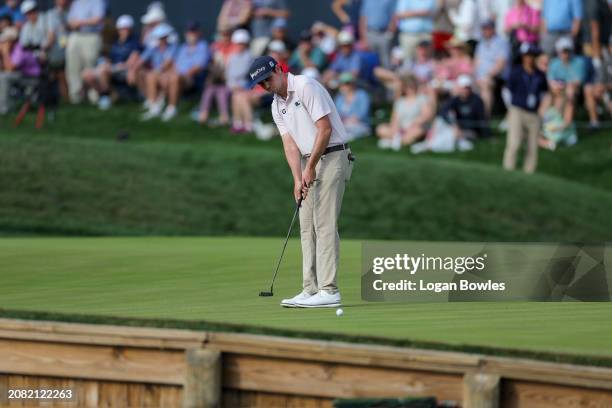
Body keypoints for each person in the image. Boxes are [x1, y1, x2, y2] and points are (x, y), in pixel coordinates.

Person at [248, 55, 353, 308]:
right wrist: (298, 178)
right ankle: (310, 288)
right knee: (306, 226)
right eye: (260, 84)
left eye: (267, 79)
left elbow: (324, 129)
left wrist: (312, 166)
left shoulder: (306, 85)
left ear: (278, 70)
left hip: (333, 155)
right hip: (309, 161)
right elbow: (289, 145)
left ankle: (329, 290)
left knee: (324, 223)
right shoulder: (276, 105)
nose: (266, 86)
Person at [503, 43, 548, 173]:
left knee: (532, 147)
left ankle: (529, 173)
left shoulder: (539, 74)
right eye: (527, 55)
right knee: (514, 143)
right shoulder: (516, 72)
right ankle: (508, 171)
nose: (530, 58)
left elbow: (544, 93)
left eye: (532, 55)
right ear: (522, 57)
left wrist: (542, 110)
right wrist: (510, 107)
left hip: (534, 113)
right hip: (517, 109)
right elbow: (506, 90)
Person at [81, 14, 141, 110]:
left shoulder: (134, 42)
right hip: (113, 67)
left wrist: (117, 66)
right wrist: (106, 62)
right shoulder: (116, 43)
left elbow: (132, 60)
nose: (123, 31)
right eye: (121, 29)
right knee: (86, 74)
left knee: (104, 71)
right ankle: (107, 94)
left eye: (126, 28)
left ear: (130, 29)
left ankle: (105, 98)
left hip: (124, 69)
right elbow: (109, 58)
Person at [377, 74, 433, 150]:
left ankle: (393, 141)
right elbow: (394, 119)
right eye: (408, 86)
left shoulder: (421, 98)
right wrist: (395, 129)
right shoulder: (400, 102)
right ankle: (398, 139)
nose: (410, 89)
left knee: (417, 132)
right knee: (380, 129)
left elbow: (426, 115)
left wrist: (414, 124)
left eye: (412, 86)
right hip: (400, 129)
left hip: (414, 127)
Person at [65, 0, 105, 103]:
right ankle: (76, 96)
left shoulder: (97, 2)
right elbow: (70, 20)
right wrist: (73, 23)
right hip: (76, 35)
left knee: (90, 64)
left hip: (91, 35)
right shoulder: (76, 3)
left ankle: (94, 96)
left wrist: (81, 22)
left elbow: (98, 19)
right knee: (73, 66)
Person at [138, 23, 179, 120]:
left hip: (169, 74)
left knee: (153, 76)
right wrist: (131, 68)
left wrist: (158, 71)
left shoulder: (173, 47)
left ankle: (170, 108)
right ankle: (154, 107)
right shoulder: (153, 48)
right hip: (159, 74)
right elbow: (141, 60)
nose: (161, 40)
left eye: (162, 37)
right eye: (159, 38)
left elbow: (169, 63)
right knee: (149, 76)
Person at [474, 19, 509, 115]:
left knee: (485, 85)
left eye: (488, 28)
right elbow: (476, 62)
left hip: (496, 77)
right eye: (484, 28)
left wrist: (488, 75)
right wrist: (475, 76)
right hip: (480, 76)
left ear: (493, 29)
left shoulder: (501, 42)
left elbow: (501, 63)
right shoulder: (481, 43)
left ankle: (484, 118)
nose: (485, 31)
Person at [439, 74, 488, 141]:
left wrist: (488, 135)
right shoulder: (455, 100)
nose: (465, 90)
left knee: (456, 135)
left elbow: (482, 119)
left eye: (467, 87)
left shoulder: (477, 100)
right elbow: (443, 112)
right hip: (457, 128)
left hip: (472, 131)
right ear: (459, 88)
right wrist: (453, 124)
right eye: (463, 88)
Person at [225, 28, 253, 132]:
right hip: (234, 85)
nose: (239, 45)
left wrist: (235, 83)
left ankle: (245, 124)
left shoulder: (249, 56)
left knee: (238, 96)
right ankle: (240, 124)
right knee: (237, 95)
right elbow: (228, 74)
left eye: (242, 43)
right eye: (238, 43)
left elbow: (243, 72)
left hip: (245, 86)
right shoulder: (232, 57)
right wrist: (232, 84)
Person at [358, 0, 396, 68]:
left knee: (386, 62)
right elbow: (363, 18)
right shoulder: (367, 1)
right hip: (370, 33)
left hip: (384, 34)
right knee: (371, 62)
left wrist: (390, 33)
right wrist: (363, 38)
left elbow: (393, 16)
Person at [334, 72, 371, 141]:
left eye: (346, 84)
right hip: (344, 124)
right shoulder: (339, 98)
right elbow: (337, 114)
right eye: (341, 84)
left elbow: (363, 112)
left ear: (352, 84)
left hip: (360, 124)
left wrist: (351, 120)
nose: (343, 86)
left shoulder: (362, 95)